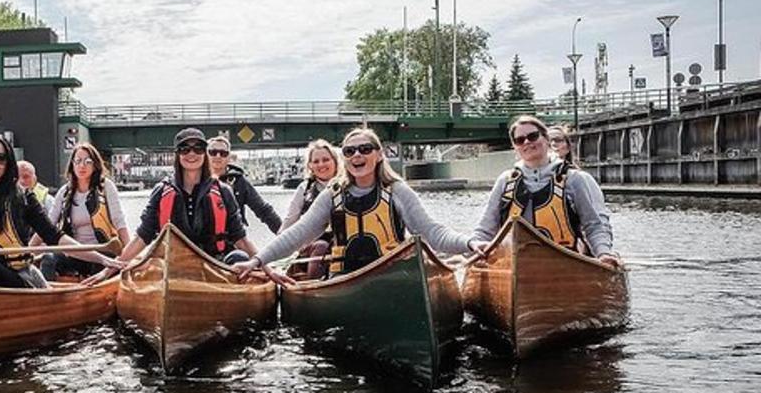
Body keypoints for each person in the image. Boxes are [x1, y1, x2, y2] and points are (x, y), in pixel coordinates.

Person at [233, 128, 476, 283]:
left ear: (379, 155)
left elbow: (433, 233)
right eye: (349, 151)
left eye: (365, 149)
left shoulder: (397, 190)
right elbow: (296, 235)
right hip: (345, 280)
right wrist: (257, 261)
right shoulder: (332, 195)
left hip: (390, 278)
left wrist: (469, 244)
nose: (357, 155)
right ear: (345, 158)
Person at [0, 133, 121, 288]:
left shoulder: (24, 198)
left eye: (0, 158)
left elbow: (55, 237)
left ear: (8, 163)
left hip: (14, 276)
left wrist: (102, 258)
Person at [471, 115, 620, 266]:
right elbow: (485, 229)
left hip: (563, 265)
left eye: (533, 136)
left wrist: (603, 253)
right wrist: (475, 250)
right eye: (520, 140)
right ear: (515, 147)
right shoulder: (505, 181)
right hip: (512, 265)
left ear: (546, 140)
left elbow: (593, 226)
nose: (527, 142)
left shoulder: (574, 179)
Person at [111, 128, 258, 271]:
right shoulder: (161, 191)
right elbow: (142, 236)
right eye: (184, 149)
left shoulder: (223, 191)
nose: (191, 153)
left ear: (204, 154)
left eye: (198, 148)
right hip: (172, 264)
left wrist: (263, 263)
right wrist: (111, 268)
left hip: (214, 262)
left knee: (240, 257)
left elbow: (241, 239)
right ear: (177, 154)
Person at [35, 143, 131, 280]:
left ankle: (92, 292)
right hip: (76, 253)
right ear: (72, 165)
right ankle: (48, 295)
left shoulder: (106, 187)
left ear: (95, 165)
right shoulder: (64, 192)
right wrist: (29, 251)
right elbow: (47, 225)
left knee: (100, 264)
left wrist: (129, 252)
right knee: (48, 258)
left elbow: (119, 221)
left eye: (88, 161)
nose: (82, 166)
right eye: (78, 161)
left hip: (102, 250)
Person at [279, 139, 341, 279]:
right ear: (310, 166)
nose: (321, 165)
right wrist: (279, 248)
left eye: (325, 160)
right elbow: (290, 220)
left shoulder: (347, 185)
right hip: (313, 245)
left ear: (335, 162)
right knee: (321, 247)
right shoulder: (304, 189)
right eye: (316, 161)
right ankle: (315, 287)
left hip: (342, 243)